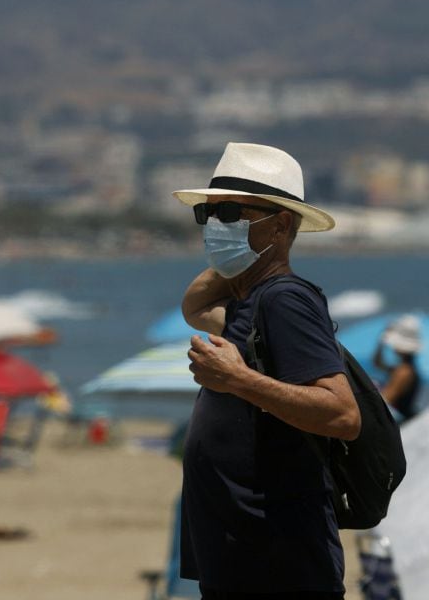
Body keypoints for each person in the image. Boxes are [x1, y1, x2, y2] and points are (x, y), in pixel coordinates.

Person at [174, 142, 360, 599]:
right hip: (245, 560)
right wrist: (235, 256)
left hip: (279, 565)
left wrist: (238, 380)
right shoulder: (253, 301)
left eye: (232, 213)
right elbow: (194, 306)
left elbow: (342, 415)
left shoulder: (285, 300)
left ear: (279, 223)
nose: (216, 226)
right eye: (209, 215)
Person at [372, 314, 423, 422]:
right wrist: (381, 343)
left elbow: (386, 399)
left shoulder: (404, 372)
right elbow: (377, 363)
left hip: (402, 422)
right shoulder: (405, 368)